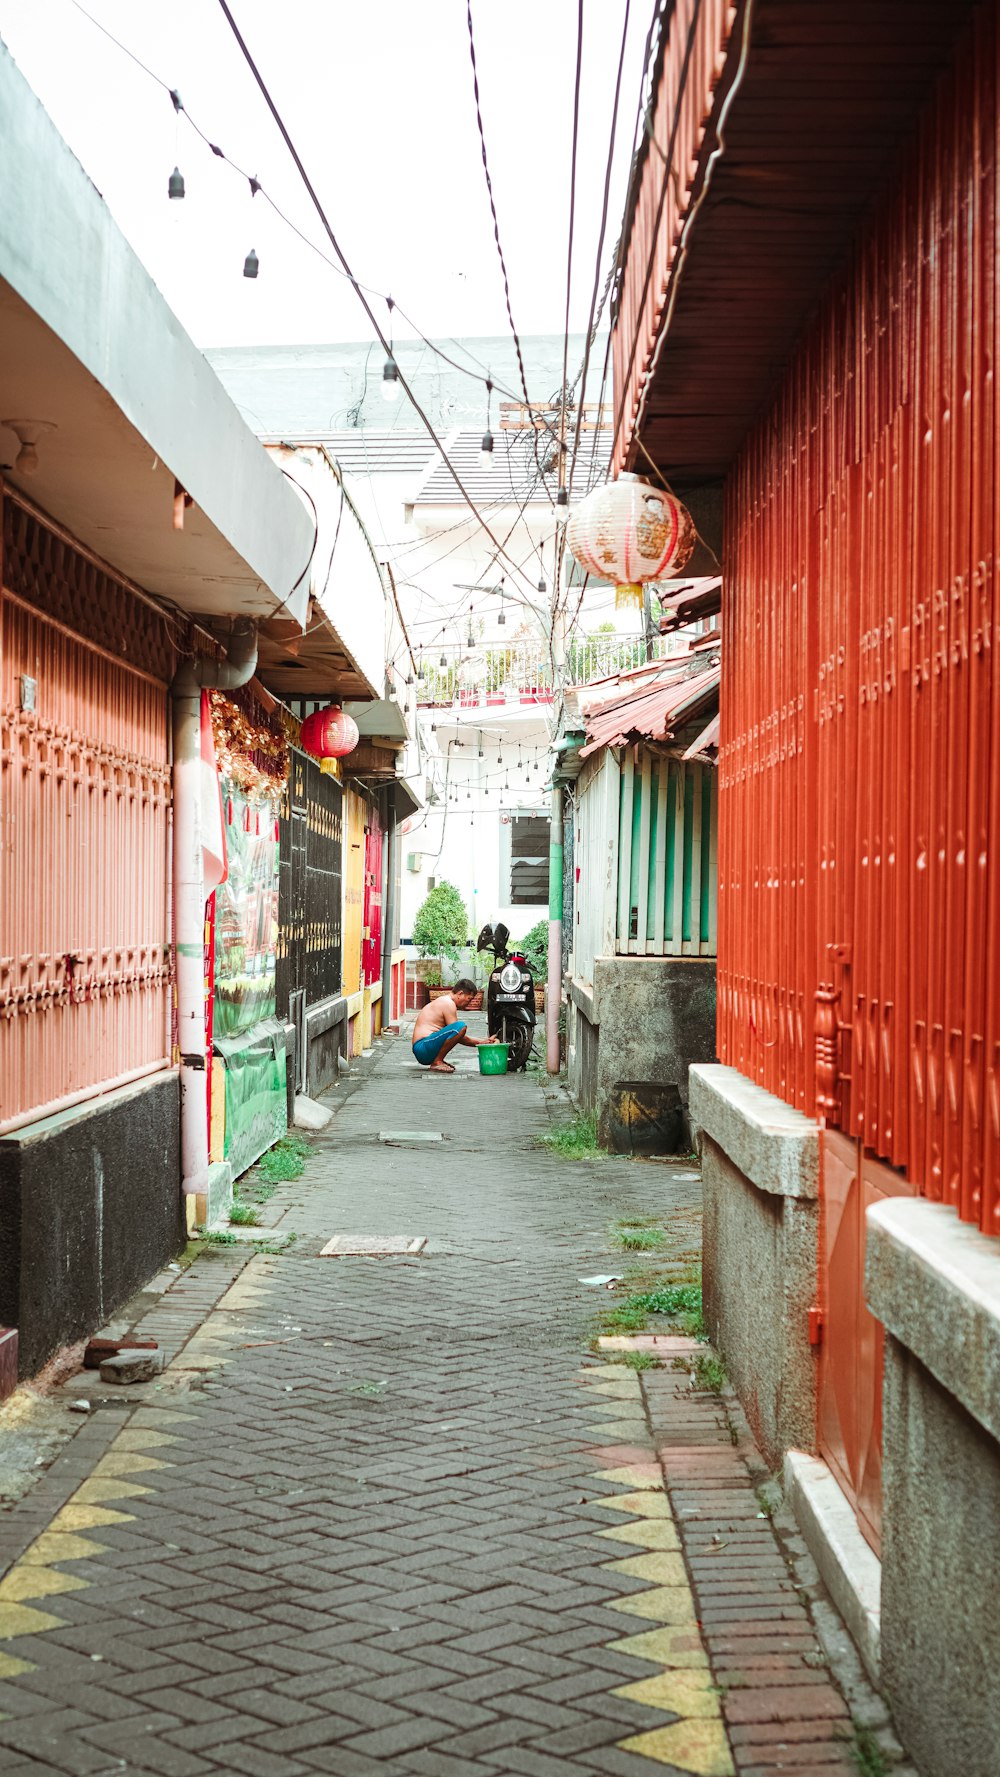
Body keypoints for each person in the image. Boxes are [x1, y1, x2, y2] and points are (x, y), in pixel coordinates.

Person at [411, 980, 496, 1073]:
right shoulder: (448, 1003)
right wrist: (482, 1042)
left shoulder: (446, 1001)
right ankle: (437, 1062)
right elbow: (458, 1033)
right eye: (469, 999)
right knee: (460, 1026)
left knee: (458, 1027)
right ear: (460, 993)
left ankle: (438, 1060)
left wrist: (483, 1042)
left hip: (425, 1048)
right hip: (422, 1047)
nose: (469, 1003)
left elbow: (456, 1035)